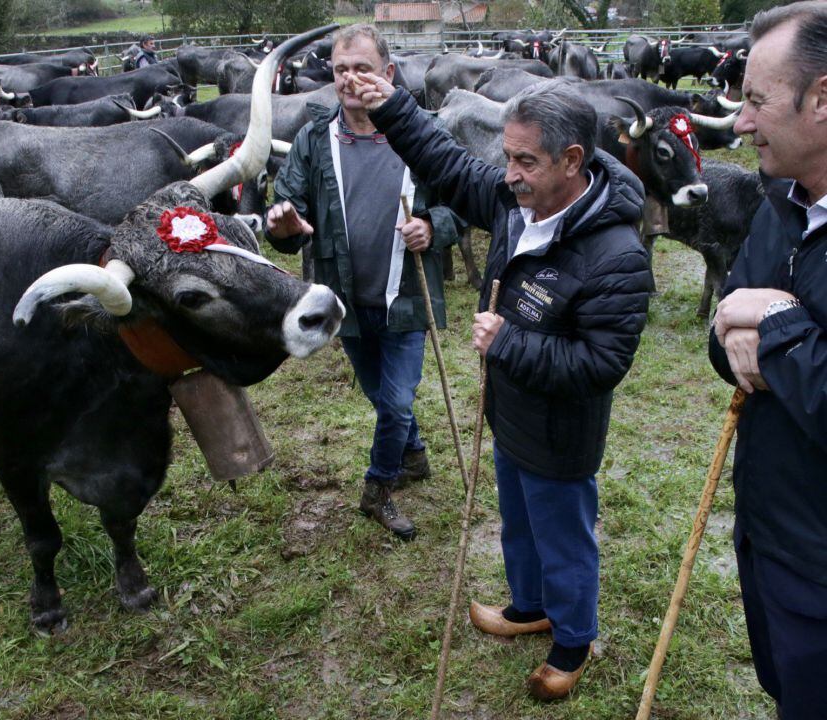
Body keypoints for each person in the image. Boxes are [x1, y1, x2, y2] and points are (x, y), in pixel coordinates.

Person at [354, 75, 652, 698]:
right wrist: (392, 106)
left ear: (573, 161)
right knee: (518, 521)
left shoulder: (616, 254)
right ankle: (530, 605)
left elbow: (602, 363)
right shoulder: (517, 200)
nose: (508, 174)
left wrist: (508, 342)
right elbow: (448, 162)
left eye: (525, 161)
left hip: (560, 434)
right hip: (510, 413)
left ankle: (572, 640)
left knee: (563, 536)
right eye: (507, 158)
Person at [265, 24, 463, 541]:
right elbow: (288, 214)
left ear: (389, 73)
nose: (350, 80)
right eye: (340, 70)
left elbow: (464, 202)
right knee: (382, 397)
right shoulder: (313, 140)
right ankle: (413, 454)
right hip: (343, 301)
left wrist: (433, 226)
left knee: (395, 401)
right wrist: (283, 224)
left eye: (363, 68)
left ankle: (377, 490)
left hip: (407, 297)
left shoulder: (422, 135)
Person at [707, 3, 827, 717]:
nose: (741, 123)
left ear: (823, 99)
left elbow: (757, 315)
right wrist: (737, 330)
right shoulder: (780, 200)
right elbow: (726, 318)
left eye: (756, 100)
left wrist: (776, 320)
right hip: (771, 530)